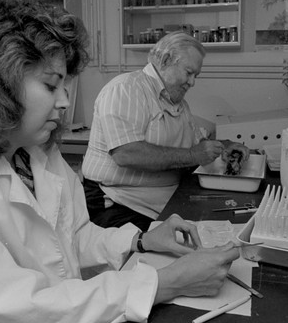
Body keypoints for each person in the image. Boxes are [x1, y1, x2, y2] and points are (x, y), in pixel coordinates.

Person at [0, 0, 241, 323]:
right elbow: (19, 310)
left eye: (65, 84)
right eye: (51, 85)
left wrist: (141, 241)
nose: (64, 101)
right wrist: (166, 283)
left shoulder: (33, 154)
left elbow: (71, 241)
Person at [82, 31, 249, 231]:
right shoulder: (126, 89)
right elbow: (126, 153)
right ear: (166, 60)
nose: (193, 82)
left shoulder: (179, 103)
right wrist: (192, 155)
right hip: (119, 203)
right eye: (189, 72)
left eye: (196, 75)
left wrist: (225, 147)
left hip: (161, 200)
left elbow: (197, 144)